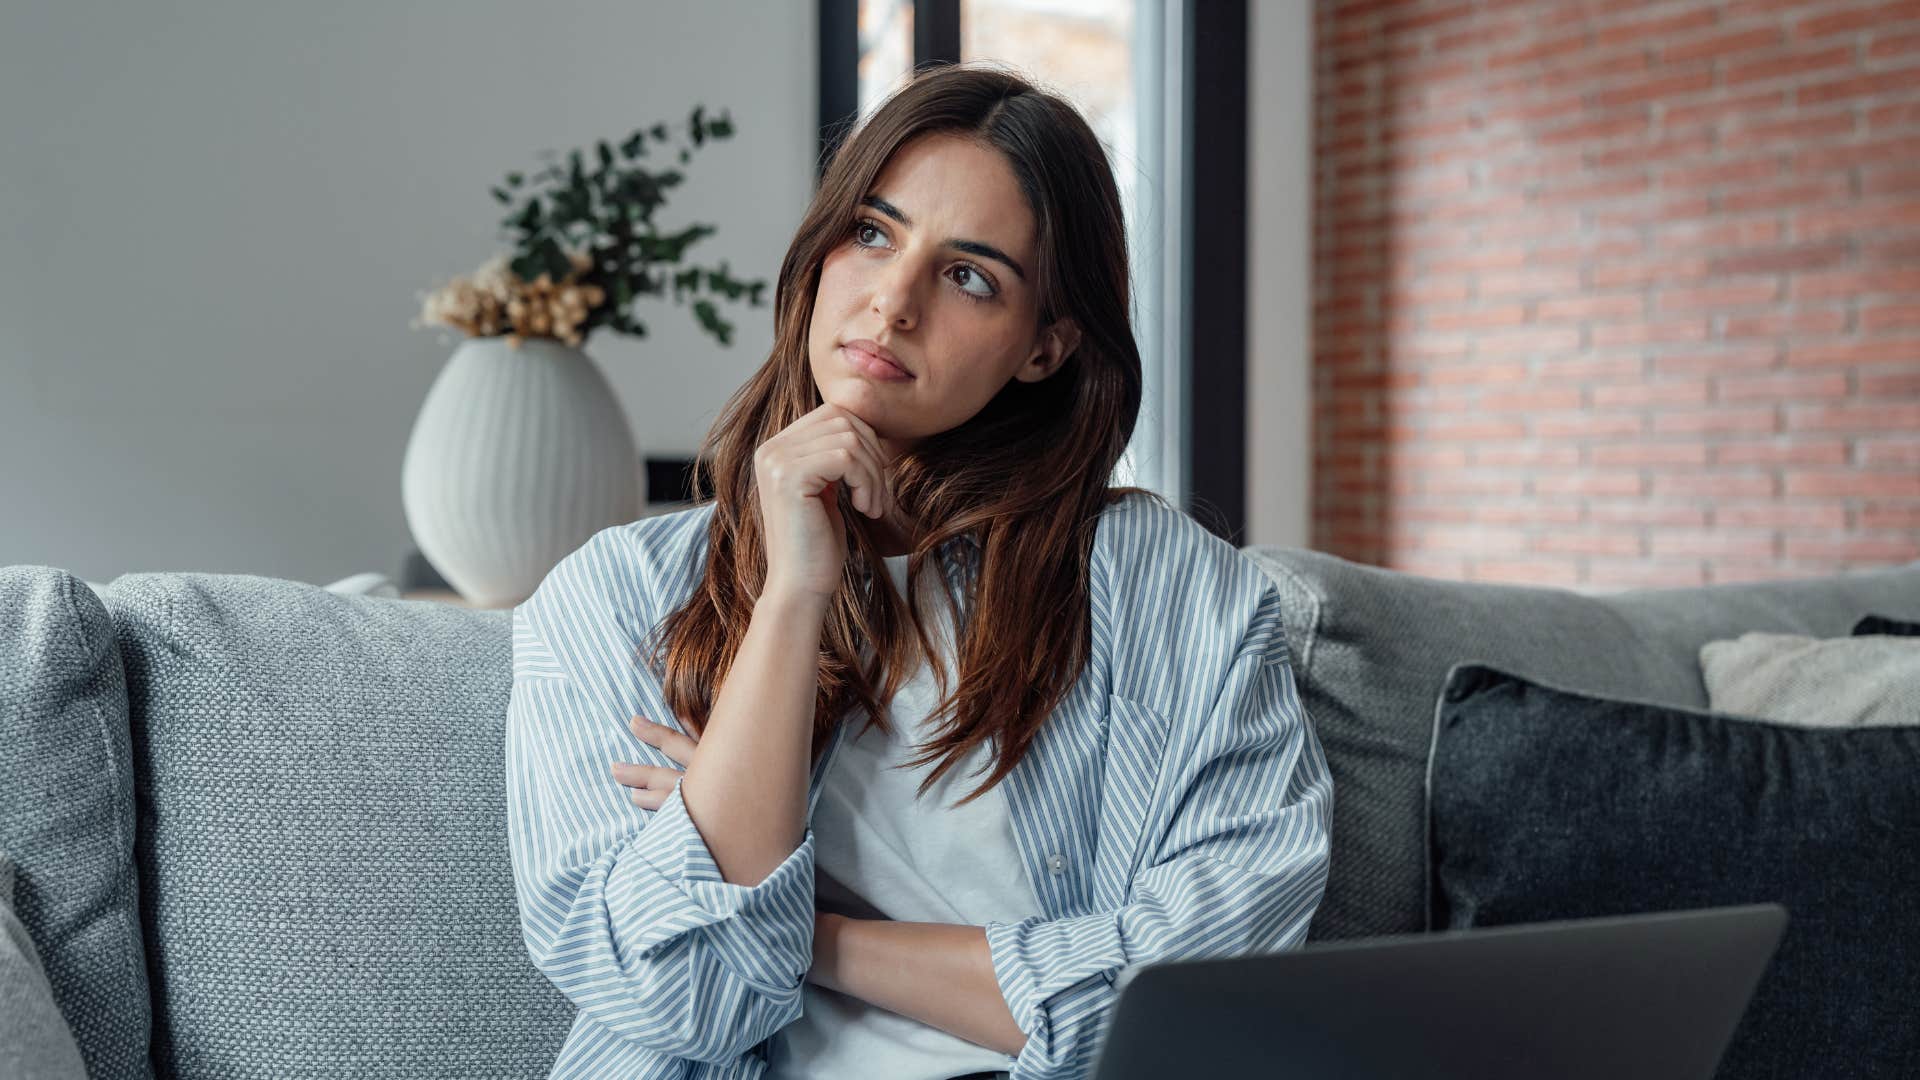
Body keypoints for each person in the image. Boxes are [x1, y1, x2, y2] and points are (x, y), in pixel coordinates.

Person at [504, 62, 1333, 1080]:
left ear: (1044, 347)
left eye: (969, 276)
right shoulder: (616, 600)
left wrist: (810, 928)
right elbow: (683, 994)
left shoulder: (1177, 597)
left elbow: (1195, 1002)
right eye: (872, 233)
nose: (893, 302)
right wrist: (794, 596)